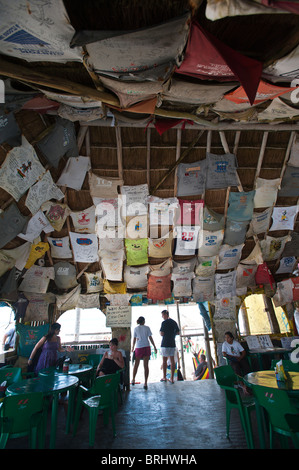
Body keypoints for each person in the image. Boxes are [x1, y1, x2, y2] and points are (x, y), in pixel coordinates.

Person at [132, 316, 157, 390]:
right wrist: (154, 346)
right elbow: (150, 338)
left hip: (139, 347)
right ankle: (145, 383)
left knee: (136, 364)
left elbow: (134, 339)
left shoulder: (136, 329)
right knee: (146, 366)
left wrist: (132, 347)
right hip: (146, 346)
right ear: (143, 321)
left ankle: (133, 379)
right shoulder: (147, 328)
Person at [160, 309, 180, 384]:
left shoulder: (164, 323)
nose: (162, 317)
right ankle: (171, 378)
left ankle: (164, 377)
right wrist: (172, 334)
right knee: (172, 361)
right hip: (172, 343)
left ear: (165, 314)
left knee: (164, 361)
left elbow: (162, 333)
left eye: (162, 315)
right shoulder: (174, 322)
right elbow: (178, 332)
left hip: (165, 343)